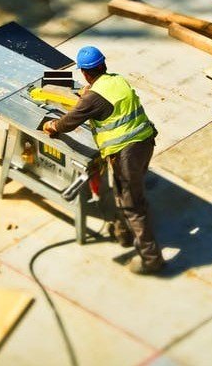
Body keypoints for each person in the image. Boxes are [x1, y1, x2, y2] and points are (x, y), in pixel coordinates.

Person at [43, 46, 165, 275]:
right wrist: (89, 92)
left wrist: (53, 126)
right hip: (145, 142)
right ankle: (126, 232)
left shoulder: (93, 98)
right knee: (127, 191)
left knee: (132, 203)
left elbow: (69, 122)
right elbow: (104, 99)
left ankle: (151, 258)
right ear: (103, 65)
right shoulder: (116, 80)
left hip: (126, 152)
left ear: (85, 73)